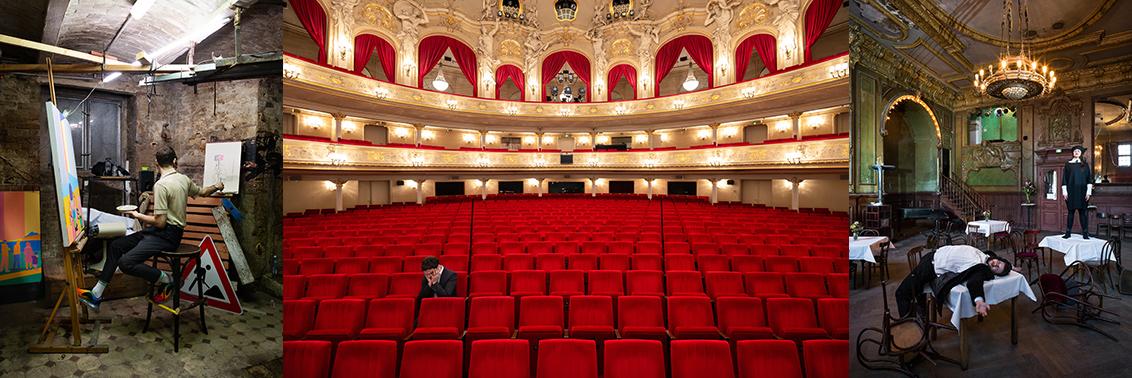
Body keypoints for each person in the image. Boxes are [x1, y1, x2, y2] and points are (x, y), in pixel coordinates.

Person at [78, 146, 223, 311]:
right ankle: (97, 294)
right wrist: (217, 186)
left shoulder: (161, 185)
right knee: (116, 246)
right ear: (175, 161)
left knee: (126, 263)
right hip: (161, 233)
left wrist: (137, 215)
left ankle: (168, 279)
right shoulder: (183, 179)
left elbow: (160, 222)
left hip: (166, 235)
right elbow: (203, 192)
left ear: (156, 164)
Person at [895, 245, 1014, 319]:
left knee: (901, 294)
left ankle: (909, 333)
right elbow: (994, 256)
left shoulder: (981, 268)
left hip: (930, 266)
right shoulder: (986, 256)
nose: (995, 264)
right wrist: (1011, 266)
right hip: (931, 256)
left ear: (992, 272)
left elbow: (974, 282)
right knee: (917, 290)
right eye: (998, 262)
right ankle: (921, 319)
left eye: (996, 268)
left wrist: (979, 301)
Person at [1061, 145, 1093, 239]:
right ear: (1073, 153)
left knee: (1083, 213)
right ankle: (1068, 233)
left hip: (1083, 193)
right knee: (1070, 213)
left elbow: (1089, 179)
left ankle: (1085, 233)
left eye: (1078, 151)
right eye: (1075, 151)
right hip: (1071, 192)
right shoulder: (1068, 164)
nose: (1076, 152)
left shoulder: (1085, 164)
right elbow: (1064, 179)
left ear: (1081, 153)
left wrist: (1088, 193)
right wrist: (1065, 192)